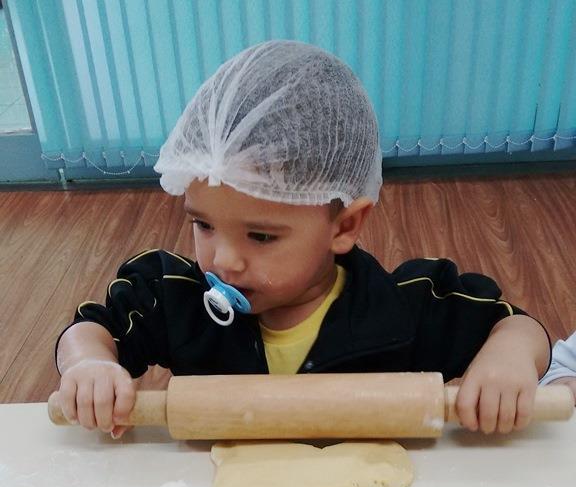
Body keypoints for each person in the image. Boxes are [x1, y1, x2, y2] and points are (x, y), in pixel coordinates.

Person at [54, 40, 551, 440]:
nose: (223, 260)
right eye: (203, 225)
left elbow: (517, 328)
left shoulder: (406, 308)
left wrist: (508, 360)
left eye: (262, 235)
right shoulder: (173, 297)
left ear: (344, 227)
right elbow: (92, 329)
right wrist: (90, 365)